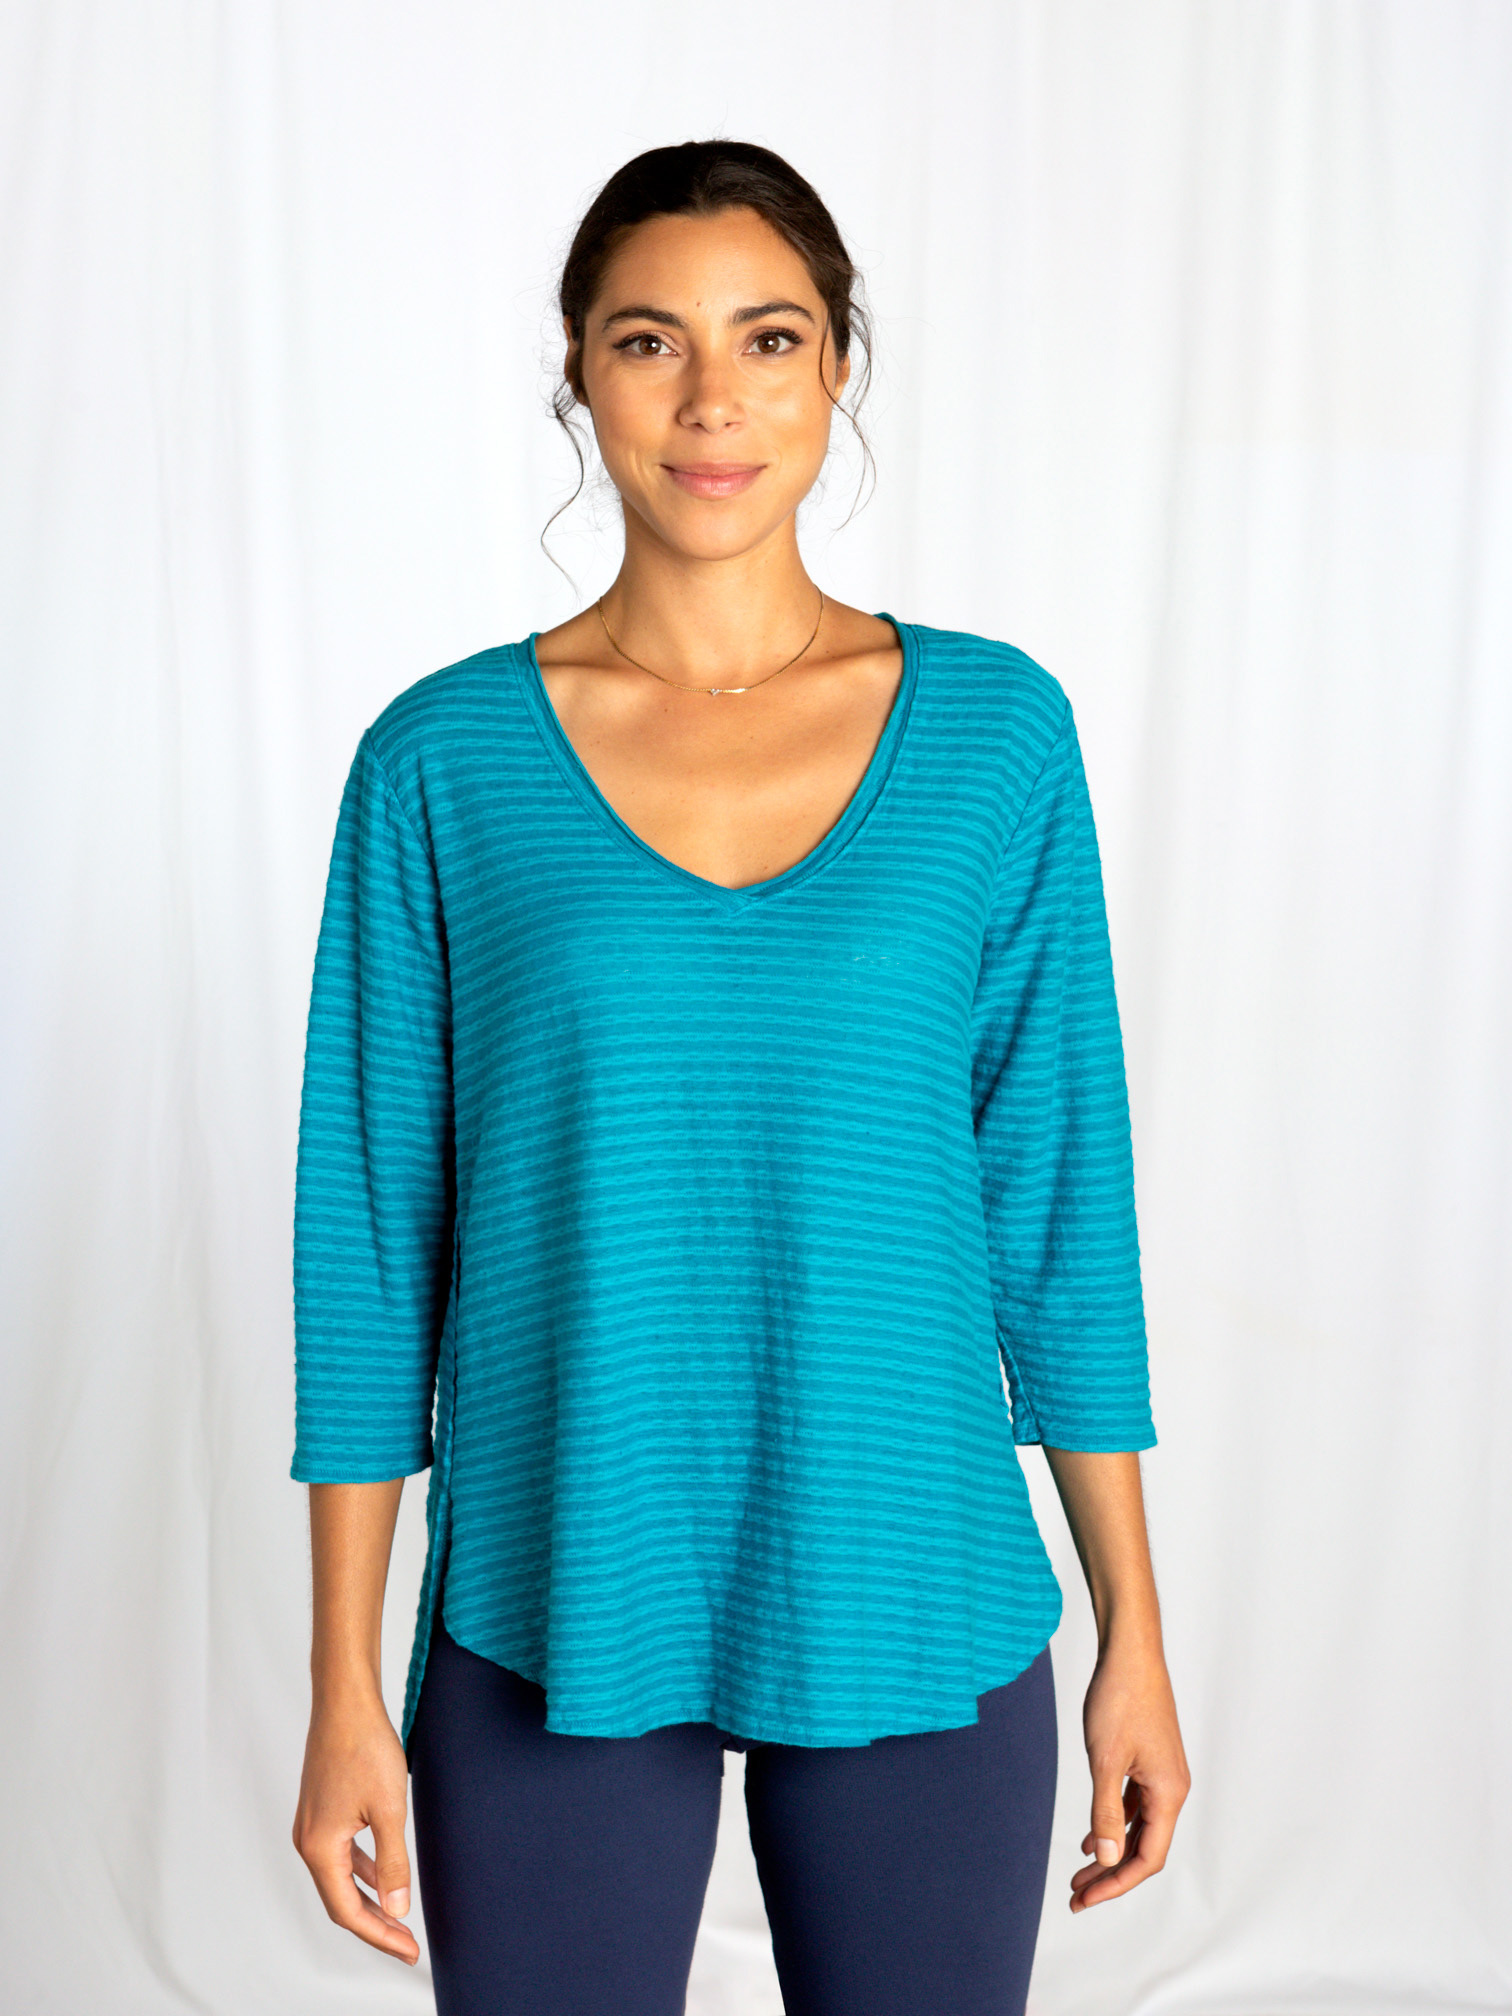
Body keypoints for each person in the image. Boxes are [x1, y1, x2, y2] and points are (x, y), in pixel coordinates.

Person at [289, 139, 1190, 2016]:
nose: (713, 399)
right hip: (555, 1591)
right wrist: (342, 1692)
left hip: (918, 1581)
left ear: (838, 363)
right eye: (649, 341)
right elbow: (369, 1257)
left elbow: (1058, 1213)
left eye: (769, 337)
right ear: (577, 371)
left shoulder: (996, 737)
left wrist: (1137, 1637)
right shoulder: (439, 764)